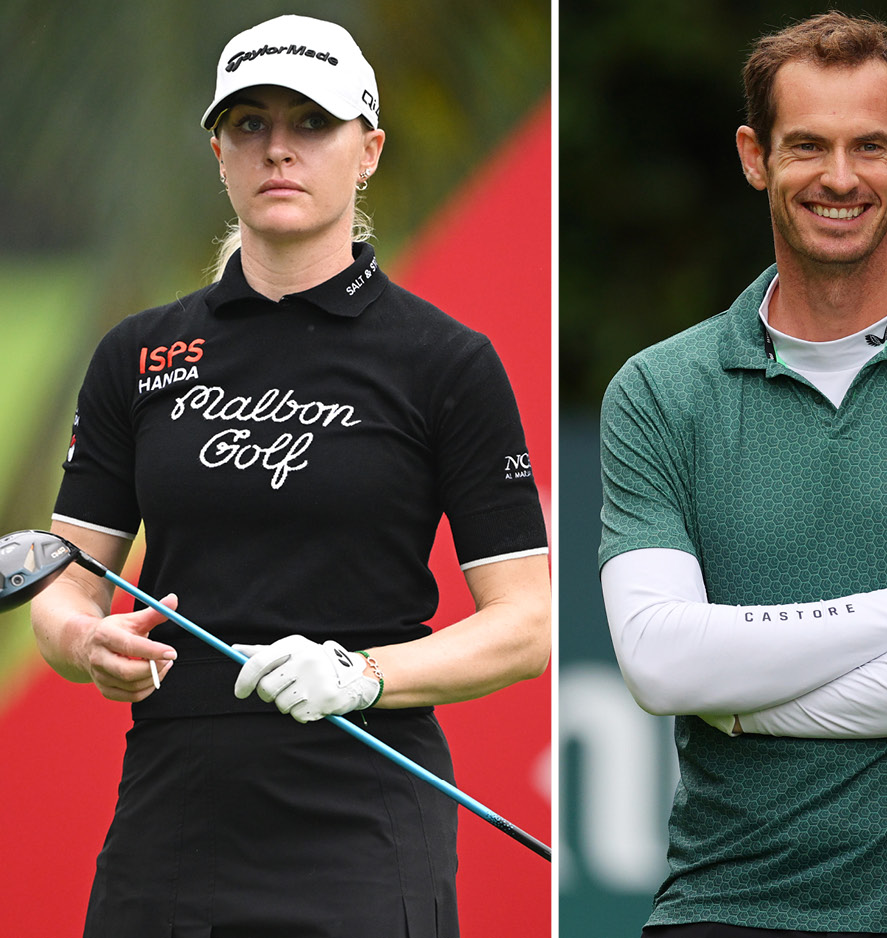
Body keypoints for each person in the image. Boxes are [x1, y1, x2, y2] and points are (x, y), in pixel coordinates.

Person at [27, 14, 550, 936]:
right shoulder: (140, 354)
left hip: (365, 802)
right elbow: (61, 583)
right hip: (174, 805)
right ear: (219, 152)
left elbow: (527, 624)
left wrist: (359, 674)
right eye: (248, 125)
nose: (278, 149)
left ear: (369, 150)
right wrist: (83, 644)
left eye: (312, 124)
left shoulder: (445, 361)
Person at [598, 11, 887, 938]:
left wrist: (741, 709)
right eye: (806, 146)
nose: (841, 178)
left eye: (869, 146)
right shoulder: (658, 391)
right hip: (728, 903)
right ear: (753, 155)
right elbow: (660, 660)